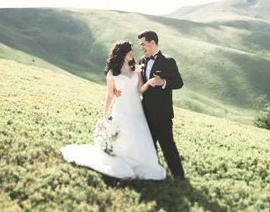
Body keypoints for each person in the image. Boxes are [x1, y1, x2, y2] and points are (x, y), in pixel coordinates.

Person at [60, 40, 166, 180]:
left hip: (136, 108)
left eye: (133, 51)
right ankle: (122, 158)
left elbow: (140, 89)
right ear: (122, 53)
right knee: (124, 134)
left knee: (139, 133)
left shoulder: (137, 70)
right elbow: (110, 96)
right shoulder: (112, 73)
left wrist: (149, 82)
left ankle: (143, 162)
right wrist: (105, 115)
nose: (133, 53)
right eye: (130, 51)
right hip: (121, 107)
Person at [133, 30, 185, 179]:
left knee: (168, 145)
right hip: (146, 112)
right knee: (149, 145)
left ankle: (179, 176)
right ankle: (155, 172)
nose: (141, 47)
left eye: (143, 44)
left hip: (162, 114)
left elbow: (179, 83)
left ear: (152, 43)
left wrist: (163, 82)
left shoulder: (168, 61)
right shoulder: (141, 61)